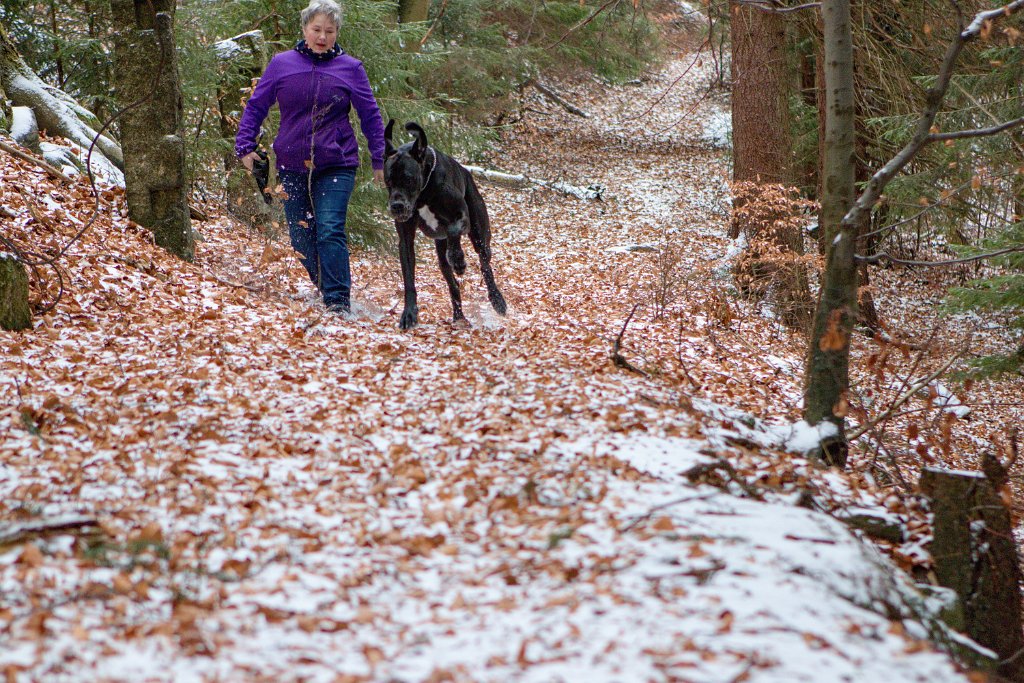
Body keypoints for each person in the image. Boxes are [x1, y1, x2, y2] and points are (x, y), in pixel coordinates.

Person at [235, 0, 385, 314]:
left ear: (336, 33)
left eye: (329, 31)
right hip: (292, 164)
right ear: (304, 29)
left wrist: (379, 159)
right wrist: (245, 145)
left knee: (330, 228)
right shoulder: (282, 64)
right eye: (316, 29)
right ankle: (327, 288)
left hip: (337, 163)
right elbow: (256, 106)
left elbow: (370, 116)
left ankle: (337, 303)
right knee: (301, 237)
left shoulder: (351, 69)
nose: (322, 36)